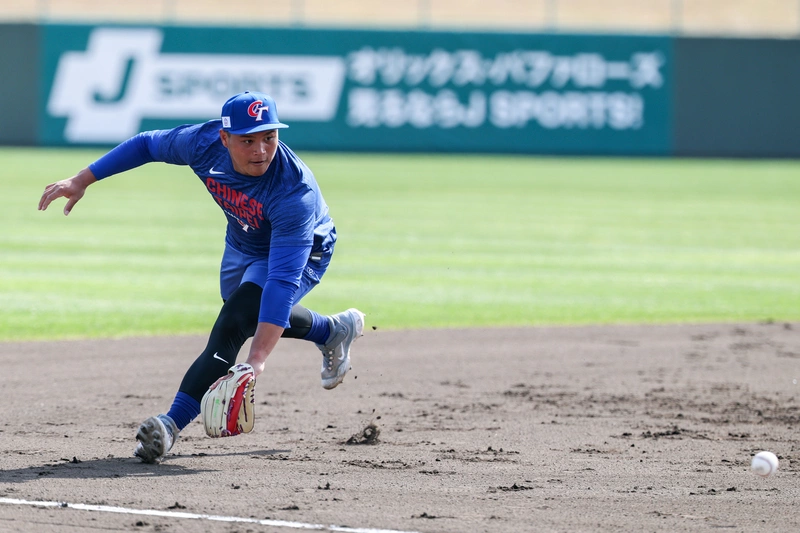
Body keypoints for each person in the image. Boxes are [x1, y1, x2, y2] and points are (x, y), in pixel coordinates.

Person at [38, 91, 365, 463]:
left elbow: (282, 283)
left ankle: (169, 425)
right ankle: (330, 331)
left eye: (269, 138)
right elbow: (146, 145)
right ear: (224, 138)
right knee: (243, 309)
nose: (260, 150)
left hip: (303, 249)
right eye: (248, 140)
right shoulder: (201, 143)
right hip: (243, 239)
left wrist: (256, 360)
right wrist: (83, 179)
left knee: (236, 320)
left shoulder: (294, 192)